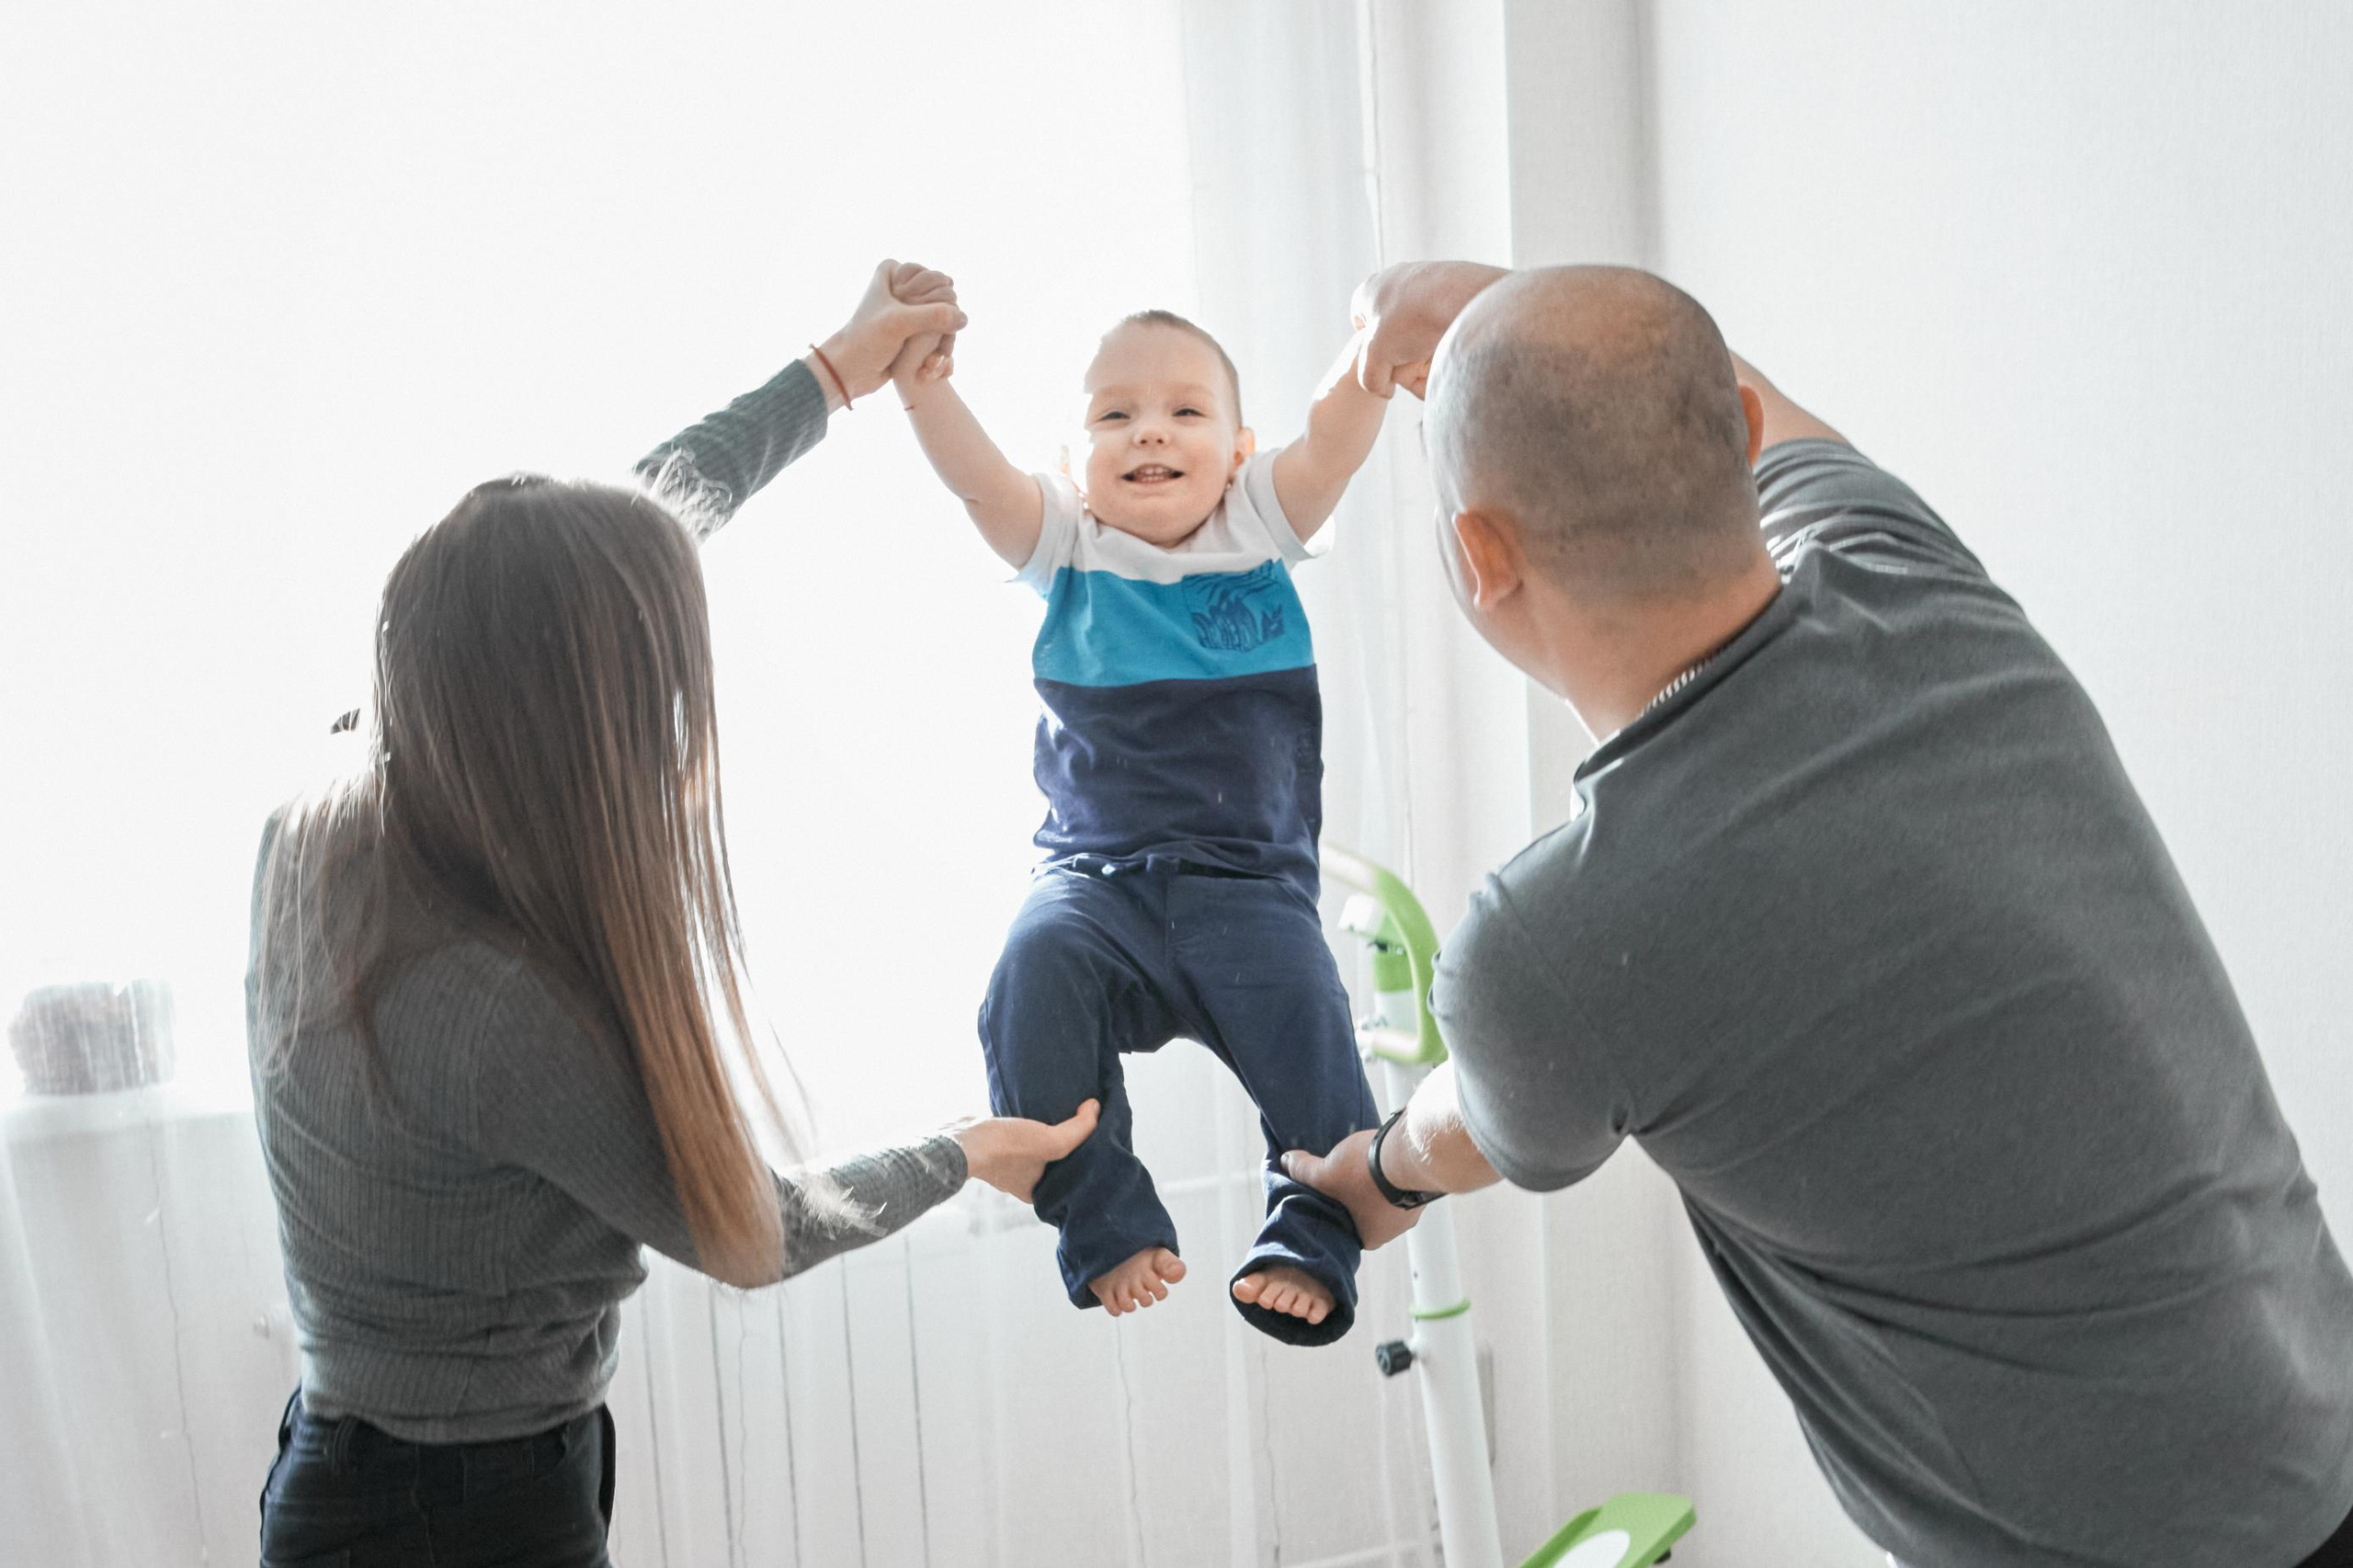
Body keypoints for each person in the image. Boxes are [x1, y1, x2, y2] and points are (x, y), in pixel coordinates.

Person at [1284, 261, 2353, 1568]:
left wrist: (1374, 1172)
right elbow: (1758, 403)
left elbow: (1469, 1131)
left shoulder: (1554, 943)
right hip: (2318, 1417)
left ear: (1481, 556)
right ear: (1729, 437)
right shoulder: (1912, 580)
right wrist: (1500, 300)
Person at [246, 261, 1098, 1568]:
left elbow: (586, 569)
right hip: (457, 1515)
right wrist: (965, 1152)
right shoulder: (494, 1014)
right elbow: (753, 1231)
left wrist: (828, 376)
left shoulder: (338, 814)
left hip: (371, 1467)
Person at [891, 298, 1392, 1344]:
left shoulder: (1258, 521)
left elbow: (1333, 441)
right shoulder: (1065, 544)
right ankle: (1100, 1209)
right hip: (1094, 881)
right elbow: (979, 477)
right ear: (1074, 461)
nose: (1150, 430)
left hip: (1245, 886)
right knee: (1027, 977)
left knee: (1312, 1017)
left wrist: (1370, 358)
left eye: (1183, 410)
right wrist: (923, 386)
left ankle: (1311, 1222)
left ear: (1238, 449)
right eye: (1115, 416)